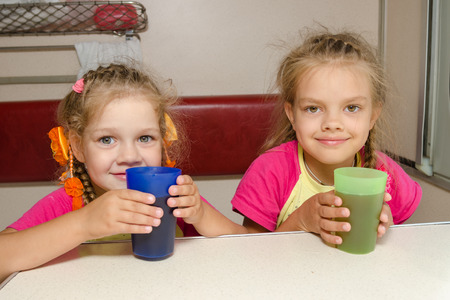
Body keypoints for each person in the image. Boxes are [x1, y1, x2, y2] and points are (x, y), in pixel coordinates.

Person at [0, 64, 245, 282]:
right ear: (77, 147)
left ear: (164, 141)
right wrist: (84, 223)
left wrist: (201, 215)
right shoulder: (68, 204)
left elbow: (246, 247)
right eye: (107, 139)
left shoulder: (172, 199)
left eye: (145, 137)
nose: (130, 156)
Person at [231, 29, 422, 245]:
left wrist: (387, 226)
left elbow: (402, 248)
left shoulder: (386, 175)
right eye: (313, 108)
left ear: (373, 115)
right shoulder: (270, 172)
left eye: (351, 107)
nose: (332, 123)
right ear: (292, 114)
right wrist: (300, 221)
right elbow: (252, 256)